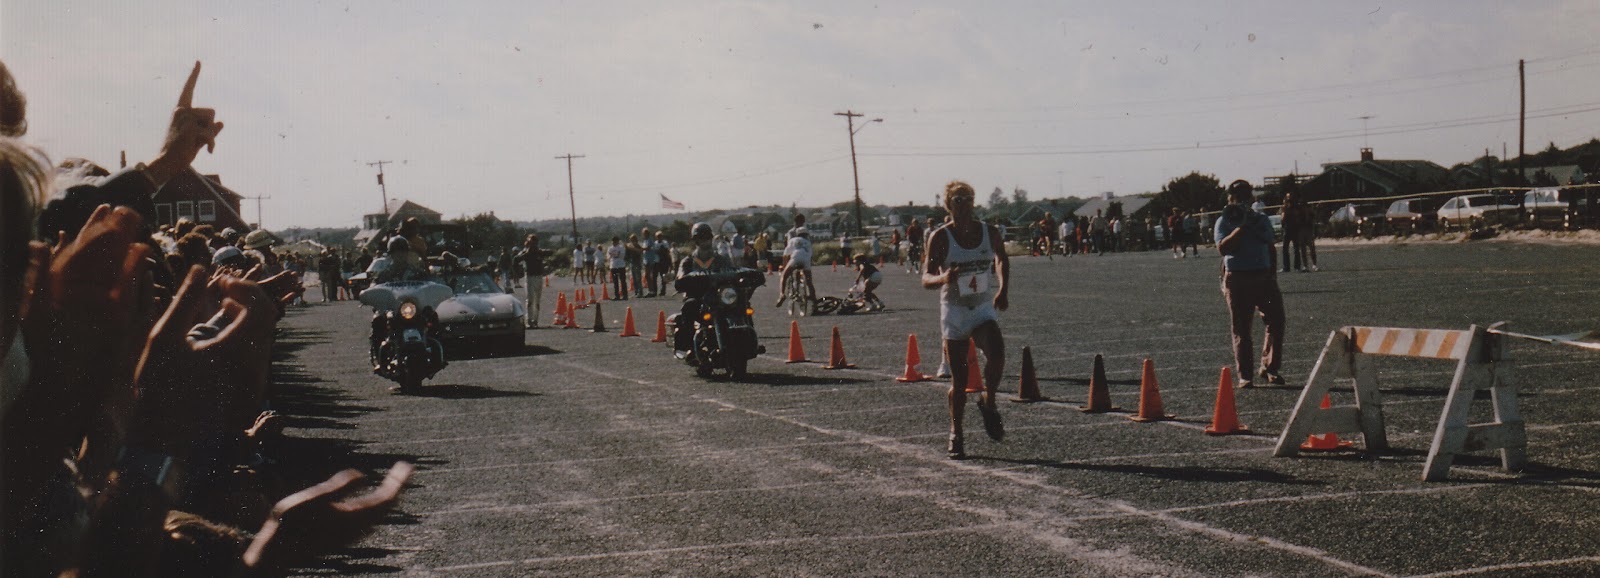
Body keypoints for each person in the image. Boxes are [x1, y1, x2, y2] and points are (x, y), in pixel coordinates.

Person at [922, 180, 1009, 460]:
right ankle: (955, 433)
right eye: (957, 199)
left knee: (997, 353)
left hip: (982, 307)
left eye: (968, 198)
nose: (964, 204)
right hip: (956, 311)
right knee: (959, 382)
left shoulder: (989, 232)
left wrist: (1003, 288)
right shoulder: (940, 237)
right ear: (948, 204)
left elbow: (1001, 258)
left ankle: (989, 402)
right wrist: (944, 278)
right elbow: (926, 278)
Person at [1215, 179, 1286, 389]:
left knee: (1276, 321)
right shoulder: (1224, 221)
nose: (1242, 200)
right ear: (1231, 199)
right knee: (1241, 328)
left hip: (1262, 275)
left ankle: (1270, 367)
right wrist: (1240, 227)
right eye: (1238, 197)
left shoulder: (1261, 219)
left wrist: (1272, 274)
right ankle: (1245, 375)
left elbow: (1270, 245)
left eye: (1245, 196)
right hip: (1237, 277)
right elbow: (1223, 248)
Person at [672, 223, 736, 354]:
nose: (705, 240)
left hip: (719, 297)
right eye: (701, 237)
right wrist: (684, 279)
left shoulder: (721, 259)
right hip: (698, 297)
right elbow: (680, 278)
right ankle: (689, 347)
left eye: (707, 237)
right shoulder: (688, 261)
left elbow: (733, 272)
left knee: (742, 304)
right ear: (695, 240)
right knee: (689, 306)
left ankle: (744, 341)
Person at [774, 215, 814, 308]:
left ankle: (782, 295)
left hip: (794, 255)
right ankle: (812, 299)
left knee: (786, 274)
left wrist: (784, 266)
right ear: (796, 222)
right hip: (803, 255)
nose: (801, 224)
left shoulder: (794, 234)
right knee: (809, 280)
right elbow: (809, 248)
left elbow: (787, 250)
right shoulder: (797, 232)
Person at [515, 234, 546, 328]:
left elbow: (549, 252)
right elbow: (516, 259)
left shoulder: (538, 251)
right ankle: (529, 320)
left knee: (537, 300)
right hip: (529, 277)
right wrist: (526, 253)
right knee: (530, 299)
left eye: (535, 243)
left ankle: (535, 320)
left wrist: (540, 252)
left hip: (538, 276)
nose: (534, 245)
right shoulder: (525, 252)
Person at [606, 236, 627, 300]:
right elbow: (608, 257)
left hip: (621, 265)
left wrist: (613, 254)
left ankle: (625, 295)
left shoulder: (621, 247)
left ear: (618, 241)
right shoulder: (610, 248)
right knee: (615, 282)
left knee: (622, 281)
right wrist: (615, 254)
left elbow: (621, 255)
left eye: (615, 241)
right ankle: (617, 295)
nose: (614, 242)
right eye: (613, 241)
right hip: (613, 266)